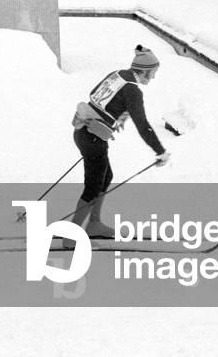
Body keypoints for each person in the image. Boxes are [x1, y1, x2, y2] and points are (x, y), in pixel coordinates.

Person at [65, 45, 171, 246]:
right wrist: (160, 151)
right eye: (153, 73)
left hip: (83, 131)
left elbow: (94, 94)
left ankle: (94, 224)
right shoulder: (133, 91)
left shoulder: (118, 75)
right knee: (93, 187)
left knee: (105, 177)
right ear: (144, 71)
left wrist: (115, 114)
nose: (154, 77)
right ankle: (71, 238)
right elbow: (143, 125)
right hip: (93, 138)